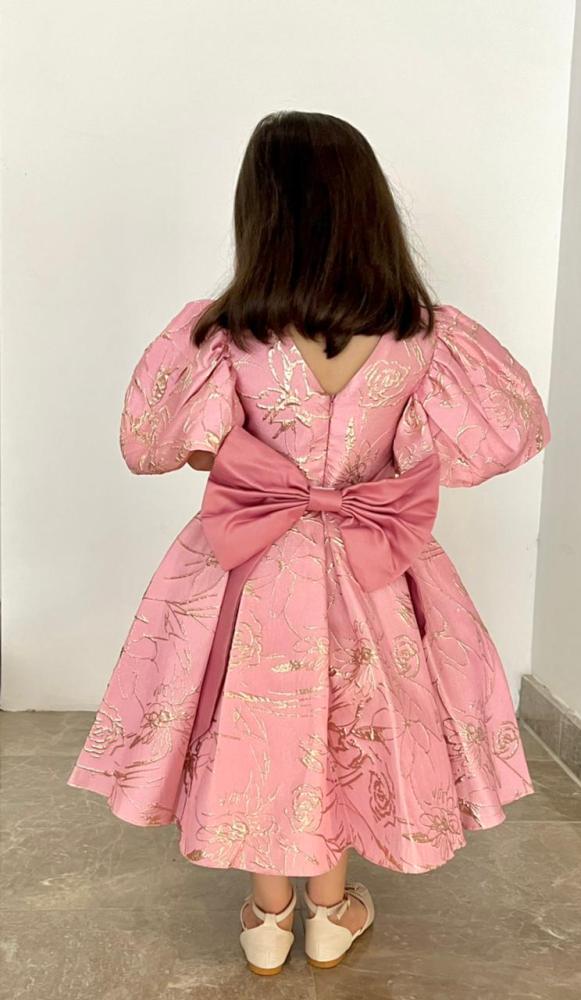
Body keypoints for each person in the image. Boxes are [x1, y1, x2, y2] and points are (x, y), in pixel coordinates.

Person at [67, 110, 551, 975]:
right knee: (350, 725)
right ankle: (331, 912)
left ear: (262, 211)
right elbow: (508, 432)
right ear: (367, 207)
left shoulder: (223, 330)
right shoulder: (421, 333)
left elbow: (151, 441)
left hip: (250, 564)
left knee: (265, 723)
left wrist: (236, 453)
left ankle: (268, 916)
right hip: (375, 563)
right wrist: (386, 458)